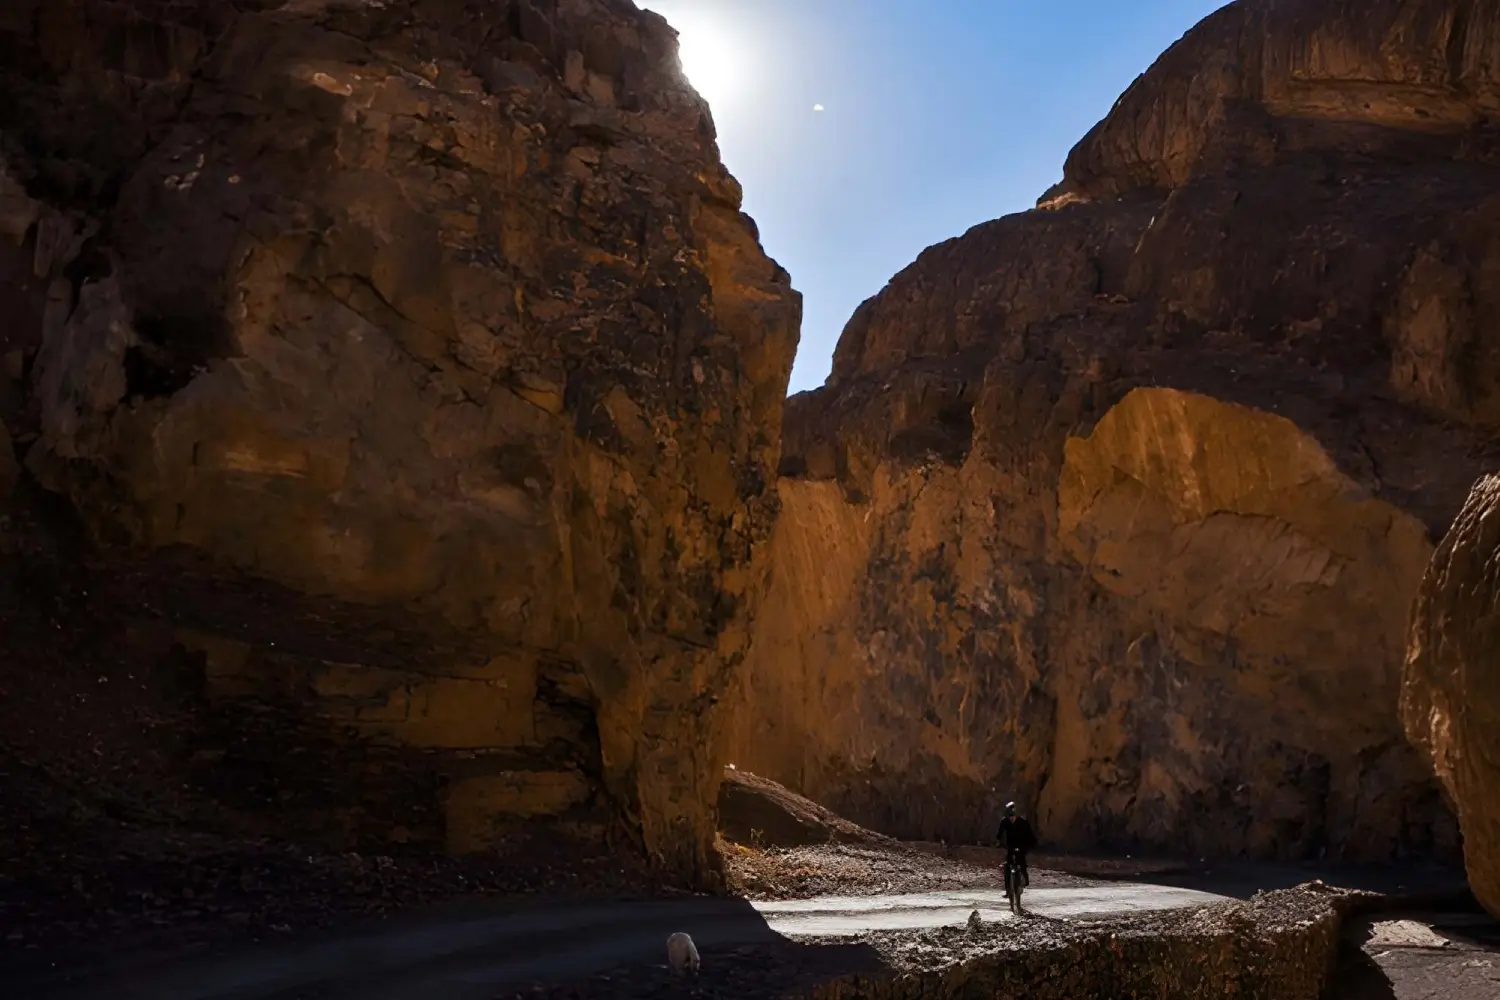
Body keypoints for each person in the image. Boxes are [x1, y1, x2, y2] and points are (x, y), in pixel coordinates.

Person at [996, 801, 1037, 901]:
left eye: (1013, 816)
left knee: (1021, 862)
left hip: (1022, 845)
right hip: (1010, 846)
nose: (1011, 818)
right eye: (1010, 816)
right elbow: (1000, 833)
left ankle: (1025, 879)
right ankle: (1008, 890)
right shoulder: (1005, 821)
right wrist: (998, 841)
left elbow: (1030, 836)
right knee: (1007, 866)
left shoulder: (1023, 822)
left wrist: (1029, 846)